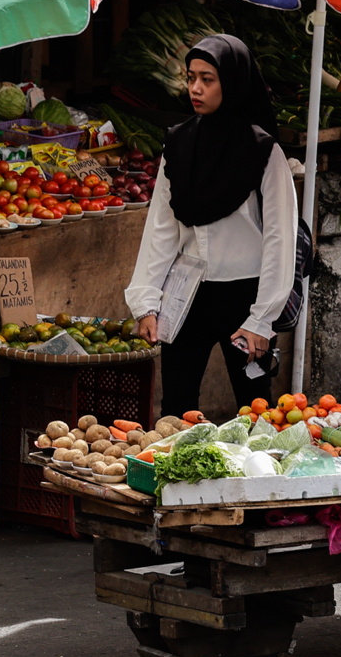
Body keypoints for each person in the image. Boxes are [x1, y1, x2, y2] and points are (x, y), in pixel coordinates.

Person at [126, 35, 298, 420]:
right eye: (191, 78)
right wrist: (147, 300)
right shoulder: (179, 144)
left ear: (232, 83)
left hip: (245, 294)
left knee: (254, 408)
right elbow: (162, 228)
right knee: (176, 407)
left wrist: (261, 319)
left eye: (208, 79)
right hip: (186, 292)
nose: (196, 89)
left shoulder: (263, 153)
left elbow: (279, 240)